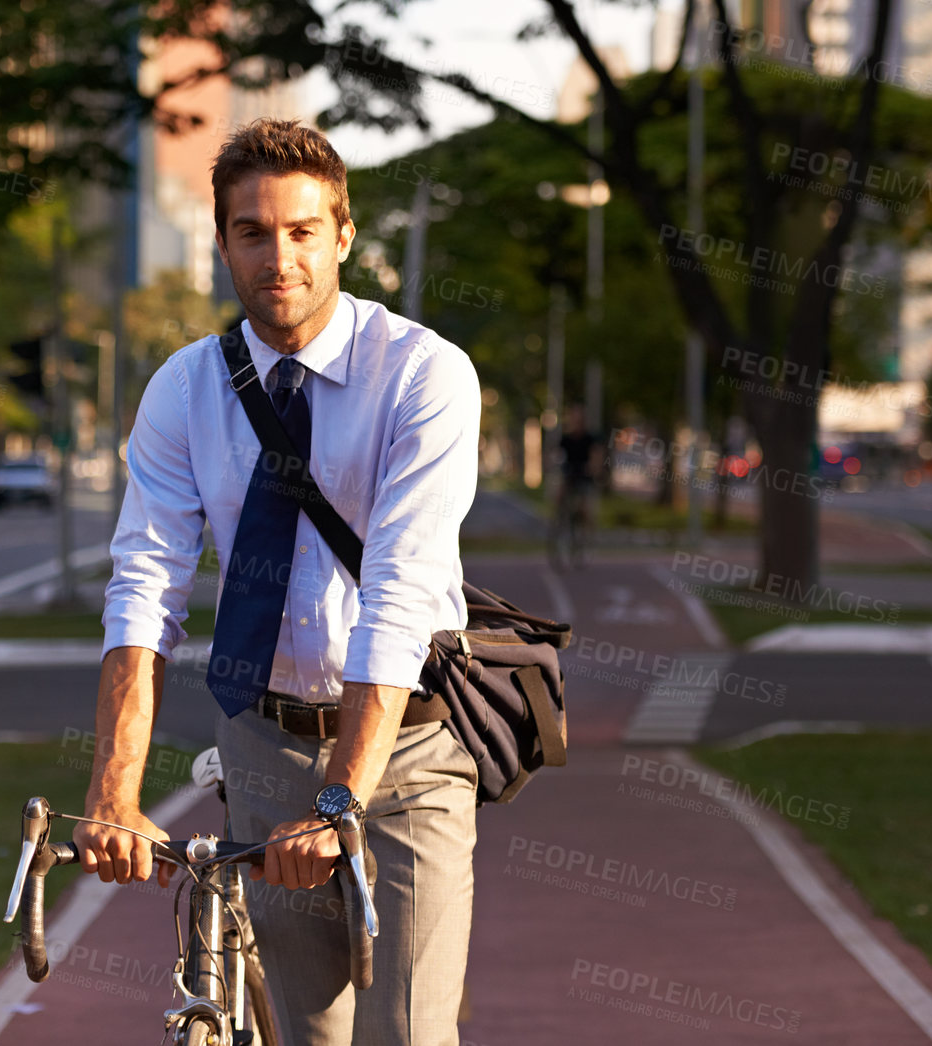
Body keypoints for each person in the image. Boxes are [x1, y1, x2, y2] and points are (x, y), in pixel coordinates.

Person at [77, 118, 482, 1046]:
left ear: (343, 236)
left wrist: (339, 800)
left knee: (407, 1035)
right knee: (307, 1035)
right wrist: (113, 787)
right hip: (261, 741)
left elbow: (399, 593)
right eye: (251, 232)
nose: (278, 256)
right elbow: (145, 584)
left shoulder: (423, 376)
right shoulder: (183, 389)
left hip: (407, 754)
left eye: (302, 230)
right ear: (222, 243)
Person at [550, 405, 603, 567]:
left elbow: (597, 456)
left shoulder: (590, 438)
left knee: (585, 509)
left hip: (584, 479)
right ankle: (561, 527)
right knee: (560, 498)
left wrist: (593, 468)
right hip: (568, 477)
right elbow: (556, 456)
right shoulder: (566, 439)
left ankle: (586, 539)